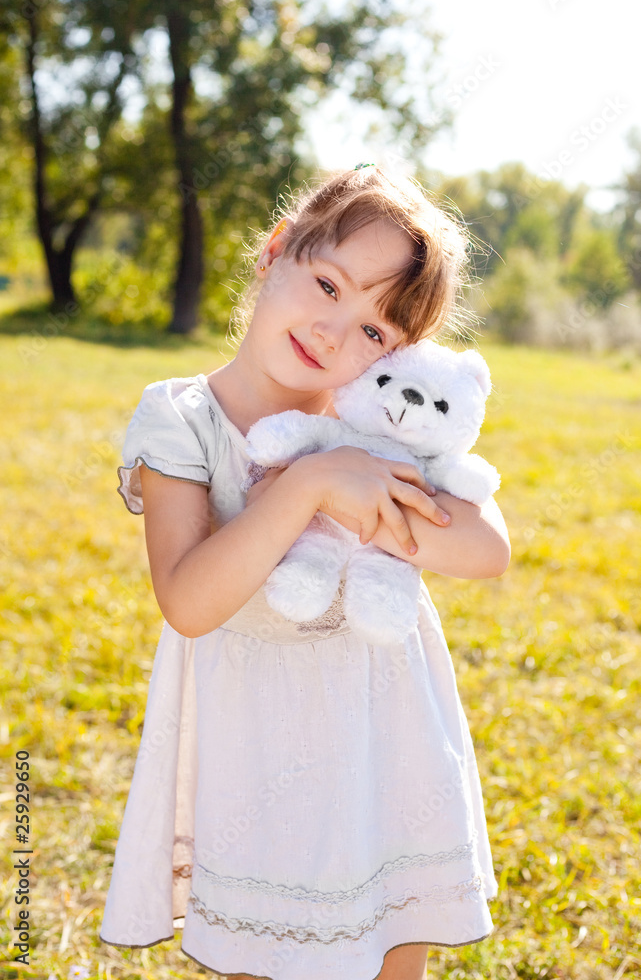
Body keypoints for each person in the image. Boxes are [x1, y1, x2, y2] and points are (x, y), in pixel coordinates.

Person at [100, 165, 510, 980]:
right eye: (327, 284)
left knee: (394, 939)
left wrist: (365, 469)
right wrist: (318, 485)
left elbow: (486, 547)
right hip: (254, 738)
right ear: (277, 251)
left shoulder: (380, 424)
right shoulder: (181, 417)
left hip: (380, 724)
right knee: (266, 945)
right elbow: (188, 599)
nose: (334, 332)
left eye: (374, 333)